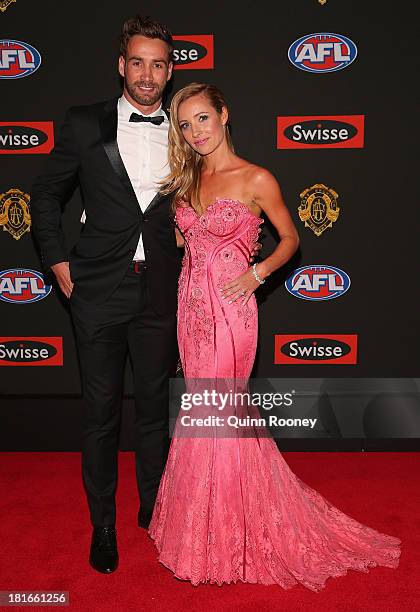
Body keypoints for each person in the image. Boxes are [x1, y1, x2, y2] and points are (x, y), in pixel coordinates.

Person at [148, 83, 401, 589]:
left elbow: (291, 239)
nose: (196, 131)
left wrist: (256, 272)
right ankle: (207, 530)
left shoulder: (256, 178)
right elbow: (183, 241)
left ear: (223, 114)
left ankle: (221, 539)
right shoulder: (186, 179)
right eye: (185, 124)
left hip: (233, 313)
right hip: (191, 313)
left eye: (203, 118)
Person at [31, 15, 181, 575]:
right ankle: (103, 525)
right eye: (138, 62)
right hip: (96, 289)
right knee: (99, 415)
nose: (147, 74)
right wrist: (57, 262)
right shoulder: (83, 123)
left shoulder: (185, 127)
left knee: (153, 415)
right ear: (122, 65)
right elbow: (44, 195)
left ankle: (154, 508)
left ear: (170, 70)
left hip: (162, 289)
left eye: (158, 64)